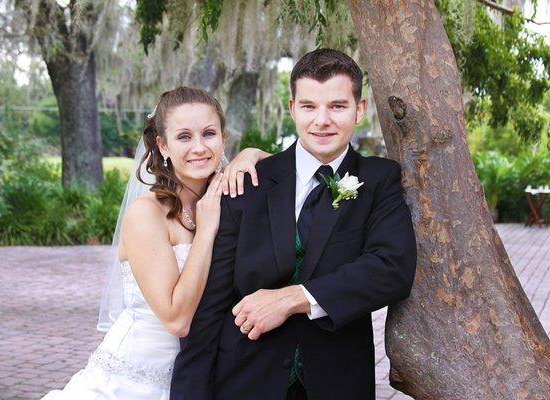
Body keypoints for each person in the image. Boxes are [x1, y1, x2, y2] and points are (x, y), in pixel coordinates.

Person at [170, 49, 417, 400]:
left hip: (338, 382)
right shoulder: (247, 182)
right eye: (309, 107)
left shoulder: (379, 180)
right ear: (291, 108)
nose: (322, 120)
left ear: (359, 110)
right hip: (245, 380)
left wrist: (293, 298)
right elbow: (209, 307)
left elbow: (392, 268)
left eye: (337, 106)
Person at [42, 87, 268, 400]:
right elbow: (176, 320)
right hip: (131, 380)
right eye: (184, 137)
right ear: (162, 145)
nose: (200, 147)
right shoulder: (146, 214)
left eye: (209, 133)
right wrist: (205, 230)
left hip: (198, 377)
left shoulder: (222, 196)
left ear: (224, 139)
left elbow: (292, 170)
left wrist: (251, 154)